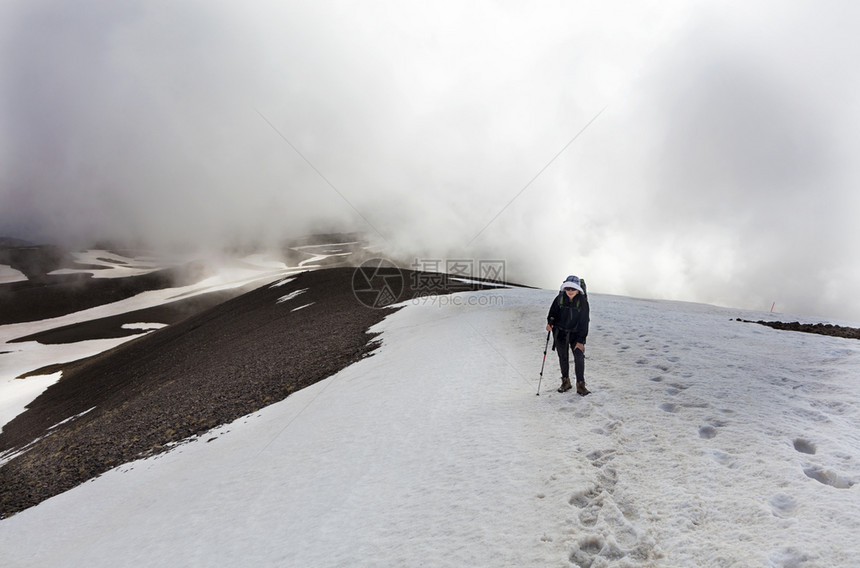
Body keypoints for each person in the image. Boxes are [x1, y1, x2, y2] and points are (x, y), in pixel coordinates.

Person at [546, 275, 590, 395]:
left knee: (579, 357)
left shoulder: (582, 302)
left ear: (578, 290)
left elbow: (584, 323)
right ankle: (566, 382)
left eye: (573, 289)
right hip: (560, 332)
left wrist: (581, 341)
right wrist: (550, 323)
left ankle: (581, 385)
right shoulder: (559, 298)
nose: (570, 291)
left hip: (576, 334)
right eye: (568, 289)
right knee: (563, 357)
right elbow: (552, 314)